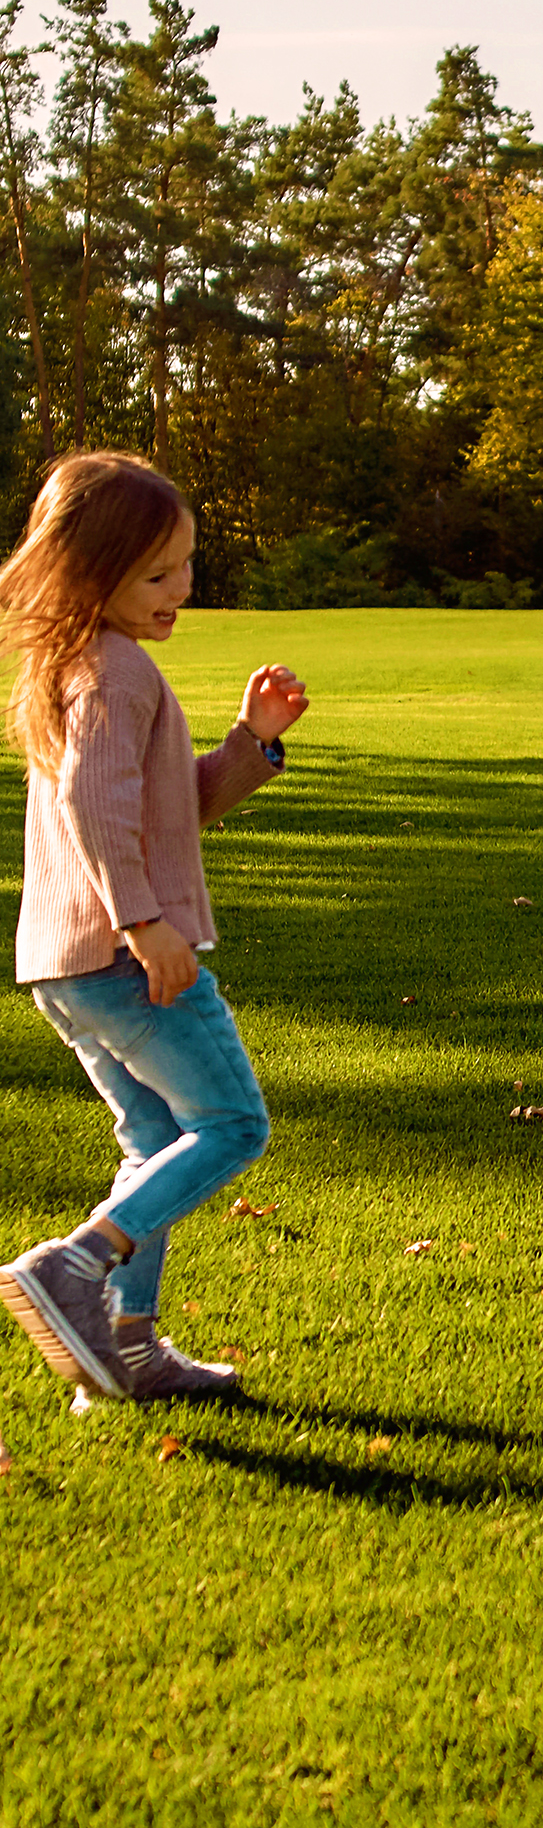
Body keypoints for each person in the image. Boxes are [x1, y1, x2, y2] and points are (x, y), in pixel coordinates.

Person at [0, 453, 306, 1404]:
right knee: (231, 1124)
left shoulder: (79, 667)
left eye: (185, 565)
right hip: (122, 956)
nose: (182, 588)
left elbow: (167, 810)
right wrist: (146, 923)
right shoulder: (118, 672)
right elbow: (99, 814)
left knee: (158, 1138)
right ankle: (73, 1269)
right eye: (158, 572)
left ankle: (125, 1346)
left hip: (65, 967)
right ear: (96, 574)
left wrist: (251, 746)